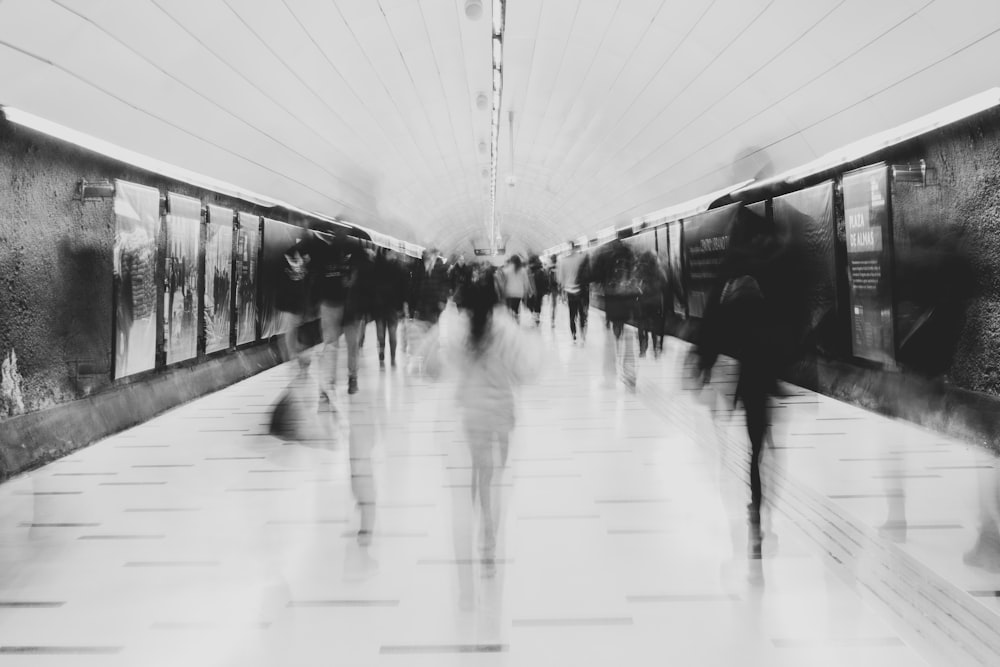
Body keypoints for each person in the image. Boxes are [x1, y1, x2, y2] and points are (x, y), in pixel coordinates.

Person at [693, 205, 783, 557]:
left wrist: (704, 363)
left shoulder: (730, 273)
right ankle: (759, 506)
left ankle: (755, 507)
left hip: (742, 371)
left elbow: (714, 325)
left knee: (752, 446)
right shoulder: (772, 269)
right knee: (761, 445)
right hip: (765, 370)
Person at [591, 239, 639, 389]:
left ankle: (609, 376)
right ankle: (630, 375)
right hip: (630, 299)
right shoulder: (630, 252)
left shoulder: (605, 254)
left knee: (611, 339)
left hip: (612, 301)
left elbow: (594, 277)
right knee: (629, 336)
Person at [370, 248, 408, 369]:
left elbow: (404, 287)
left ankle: (392, 357)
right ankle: (381, 351)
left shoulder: (398, 267)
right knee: (381, 334)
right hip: (379, 305)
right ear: (386, 252)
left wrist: (403, 305)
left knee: (392, 334)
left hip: (392, 306)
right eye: (391, 251)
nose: (394, 254)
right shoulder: (377, 265)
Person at [635, 250, 668, 358]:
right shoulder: (659, 271)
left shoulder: (640, 270)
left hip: (643, 303)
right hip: (656, 303)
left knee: (641, 327)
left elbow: (635, 285)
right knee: (654, 327)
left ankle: (643, 349)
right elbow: (665, 285)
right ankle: (655, 349)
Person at [557, 242, 590, 342]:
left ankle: (574, 334)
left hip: (570, 292)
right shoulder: (581, 258)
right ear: (575, 247)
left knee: (572, 314)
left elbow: (560, 279)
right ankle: (583, 333)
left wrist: (562, 292)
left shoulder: (563, 261)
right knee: (582, 313)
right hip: (582, 290)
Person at [500, 254, 533, 322]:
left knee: (509, 309)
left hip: (508, 292)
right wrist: (529, 291)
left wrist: (501, 292)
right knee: (516, 308)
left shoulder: (506, 270)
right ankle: (516, 320)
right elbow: (526, 282)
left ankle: (511, 321)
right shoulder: (523, 270)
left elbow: (503, 283)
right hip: (519, 293)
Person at [525, 255, 549, 326]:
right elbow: (545, 280)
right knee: (538, 303)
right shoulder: (541, 270)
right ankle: (537, 316)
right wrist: (546, 290)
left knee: (531, 303)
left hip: (531, 290)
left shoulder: (528, 271)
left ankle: (534, 314)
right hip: (539, 290)